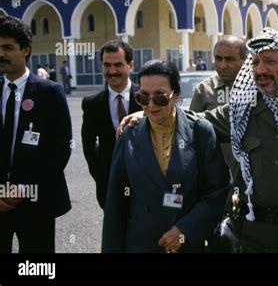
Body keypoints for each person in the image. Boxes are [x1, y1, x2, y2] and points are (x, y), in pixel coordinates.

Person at [119, 28, 278, 253]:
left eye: (270, 62)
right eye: (255, 63)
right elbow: (195, 121)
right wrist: (153, 111)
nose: (260, 70)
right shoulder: (242, 111)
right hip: (253, 239)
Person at [102, 60, 230, 253]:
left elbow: (217, 192)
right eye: (143, 98)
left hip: (187, 245)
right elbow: (115, 204)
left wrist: (184, 230)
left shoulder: (200, 132)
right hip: (141, 245)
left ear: (176, 95)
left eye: (160, 98)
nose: (151, 105)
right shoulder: (129, 135)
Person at [0, 15, 72, 253]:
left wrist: (23, 188)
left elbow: (60, 150)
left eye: (8, 48)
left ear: (26, 50)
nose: (1, 54)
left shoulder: (50, 93)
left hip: (36, 200)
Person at [81, 40, 141, 209]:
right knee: (114, 233)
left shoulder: (145, 98)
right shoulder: (92, 104)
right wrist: (101, 177)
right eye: (107, 65)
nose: (112, 71)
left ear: (130, 65)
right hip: (109, 188)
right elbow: (88, 144)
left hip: (145, 185)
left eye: (118, 65)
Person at [190, 35, 247, 179]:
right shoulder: (203, 90)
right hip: (216, 175)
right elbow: (191, 131)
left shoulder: (259, 88)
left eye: (229, 59)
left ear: (245, 59)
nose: (222, 65)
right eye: (218, 59)